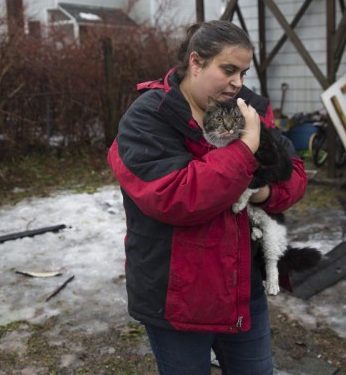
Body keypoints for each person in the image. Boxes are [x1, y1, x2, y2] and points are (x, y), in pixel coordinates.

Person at [107, 20, 307, 374]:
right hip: (177, 296)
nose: (238, 83)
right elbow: (178, 196)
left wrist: (262, 193)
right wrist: (246, 149)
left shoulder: (246, 107)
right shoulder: (148, 118)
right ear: (196, 62)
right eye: (228, 70)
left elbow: (295, 173)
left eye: (243, 72)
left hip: (240, 288)